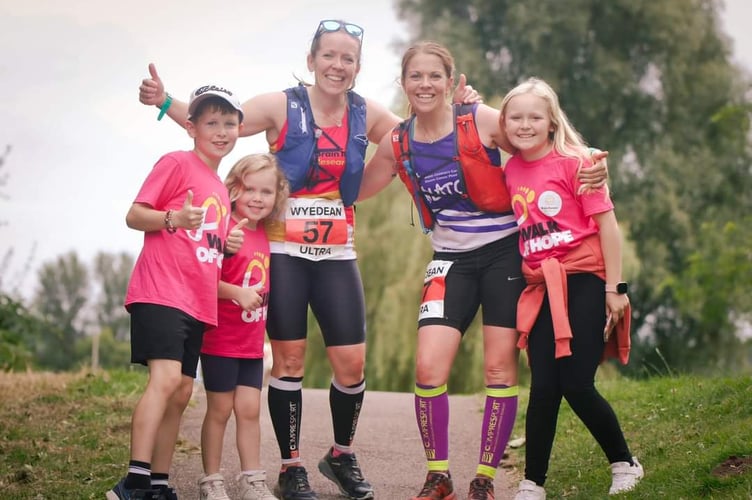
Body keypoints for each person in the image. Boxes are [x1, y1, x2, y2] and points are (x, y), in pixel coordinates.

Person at [138, 20, 479, 500]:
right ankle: (290, 466)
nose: (337, 66)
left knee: (351, 363)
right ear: (311, 60)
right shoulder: (282, 105)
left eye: (347, 59)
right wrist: (164, 101)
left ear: (358, 67)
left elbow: (419, 132)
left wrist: (463, 110)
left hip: (337, 252)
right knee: (291, 359)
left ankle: (341, 454)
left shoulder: (366, 113)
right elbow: (220, 126)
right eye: (329, 56)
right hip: (282, 253)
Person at [357, 41, 609, 500]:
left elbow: (544, 144)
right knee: (428, 367)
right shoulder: (398, 141)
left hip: (503, 255)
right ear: (403, 83)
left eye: (436, 75)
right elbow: (356, 189)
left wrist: (591, 164)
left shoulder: (481, 119)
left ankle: (485, 478)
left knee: (498, 369)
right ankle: (438, 476)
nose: (426, 84)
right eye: (416, 76)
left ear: (452, 82)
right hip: (449, 260)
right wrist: (318, 157)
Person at [498, 77, 644, 499]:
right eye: (516, 117)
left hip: (584, 279)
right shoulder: (511, 168)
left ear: (551, 122)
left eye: (535, 117)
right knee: (543, 386)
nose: (525, 125)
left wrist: (615, 288)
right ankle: (532, 483)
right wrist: (467, 101)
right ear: (506, 123)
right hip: (541, 287)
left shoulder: (578, 162)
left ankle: (625, 463)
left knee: (577, 383)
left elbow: (608, 227)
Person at [108, 85, 247, 500]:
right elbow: (134, 215)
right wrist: (172, 217)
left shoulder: (221, 189)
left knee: (183, 391)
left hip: (197, 303)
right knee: (166, 380)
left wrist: (228, 244)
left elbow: (203, 247)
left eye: (229, 123)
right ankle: (132, 482)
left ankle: (159, 483)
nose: (221, 131)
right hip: (161, 292)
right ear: (191, 127)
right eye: (211, 123)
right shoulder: (177, 163)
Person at [197, 153, 289, 500]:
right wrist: (236, 292)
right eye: (250, 189)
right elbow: (202, 279)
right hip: (220, 339)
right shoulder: (224, 230)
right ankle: (212, 481)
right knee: (220, 410)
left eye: (266, 192)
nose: (257, 198)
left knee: (250, 410)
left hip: (251, 342)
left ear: (276, 196)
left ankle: (252, 480)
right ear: (234, 189)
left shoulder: (266, 233)